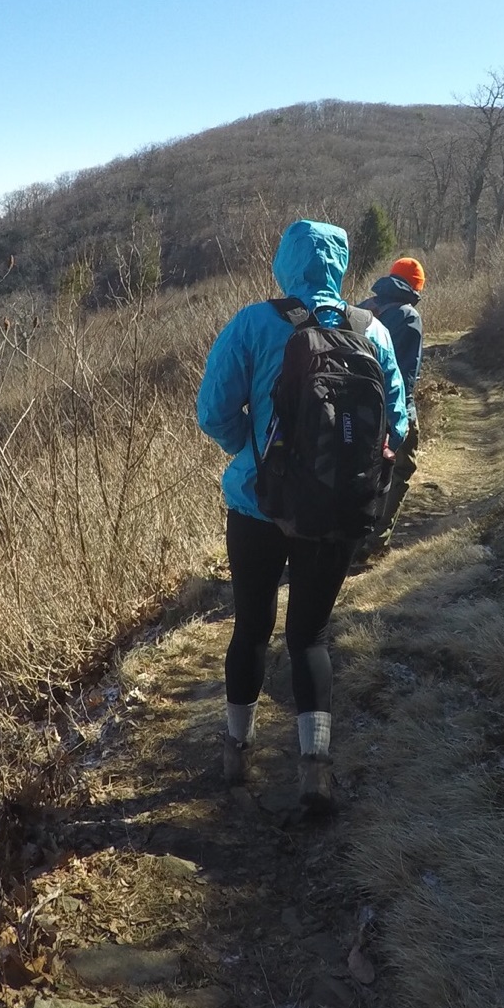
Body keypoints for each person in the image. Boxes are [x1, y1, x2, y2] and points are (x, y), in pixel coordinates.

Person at [195, 219, 410, 813]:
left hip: (257, 506)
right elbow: (399, 418)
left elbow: (212, 412)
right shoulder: (374, 330)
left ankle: (235, 752)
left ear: (285, 264)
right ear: (340, 265)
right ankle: (314, 768)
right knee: (309, 635)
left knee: (251, 629)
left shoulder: (255, 323)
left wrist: (255, 455)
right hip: (339, 506)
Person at [359, 256, 425, 555]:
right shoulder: (409, 316)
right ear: (416, 287)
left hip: (358, 411)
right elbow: (404, 375)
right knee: (398, 472)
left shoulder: (363, 308)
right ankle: (374, 543)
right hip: (393, 410)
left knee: (361, 473)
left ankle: (351, 538)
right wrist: (404, 417)